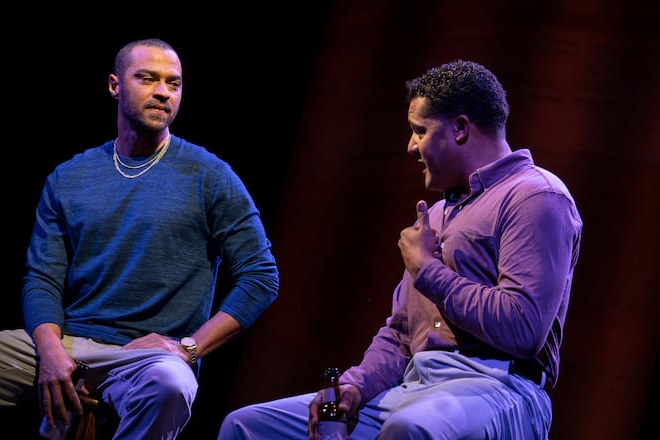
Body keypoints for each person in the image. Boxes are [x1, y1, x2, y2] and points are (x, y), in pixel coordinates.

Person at [0, 37, 279, 440]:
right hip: (70, 341)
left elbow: (261, 276)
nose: (163, 92)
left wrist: (188, 348)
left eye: (174, 83)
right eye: (148, 79)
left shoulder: (209, 175)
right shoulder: (70, 177)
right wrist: (49, 349)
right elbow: (41, 277)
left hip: (145, 356)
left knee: (173, 384)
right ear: (115, 86)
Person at [217, 59, 582, 439]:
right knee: (248, 426)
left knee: (410, 429)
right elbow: (400, 333)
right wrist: (356, 385)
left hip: (499, 387)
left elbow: (522, 328)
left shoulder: (536, 196)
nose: (410, 147)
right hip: (415, 386)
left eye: (419, 131)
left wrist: (428, 271)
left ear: (459, 128)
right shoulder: (438, 213)